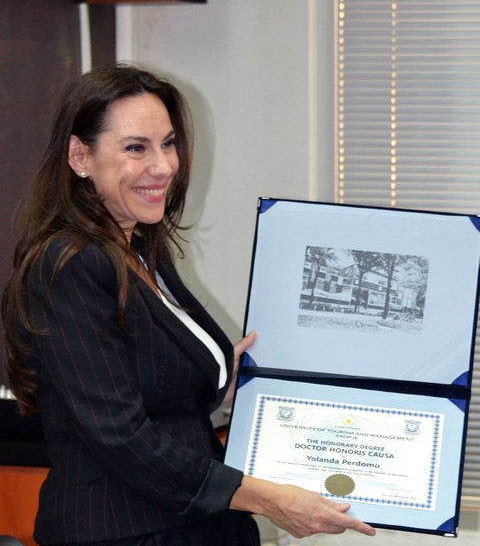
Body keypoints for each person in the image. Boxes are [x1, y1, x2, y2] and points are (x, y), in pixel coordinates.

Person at [1, 64, 376, 546]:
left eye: (169, 143)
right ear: (80, 156)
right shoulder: (69, 264)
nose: (163, 166)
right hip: (126, 531)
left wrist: (221, 379)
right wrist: (266, 498)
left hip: (191, 524)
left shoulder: (140, 251)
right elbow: (120, 435)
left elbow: (151, 389)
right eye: (136, 148)